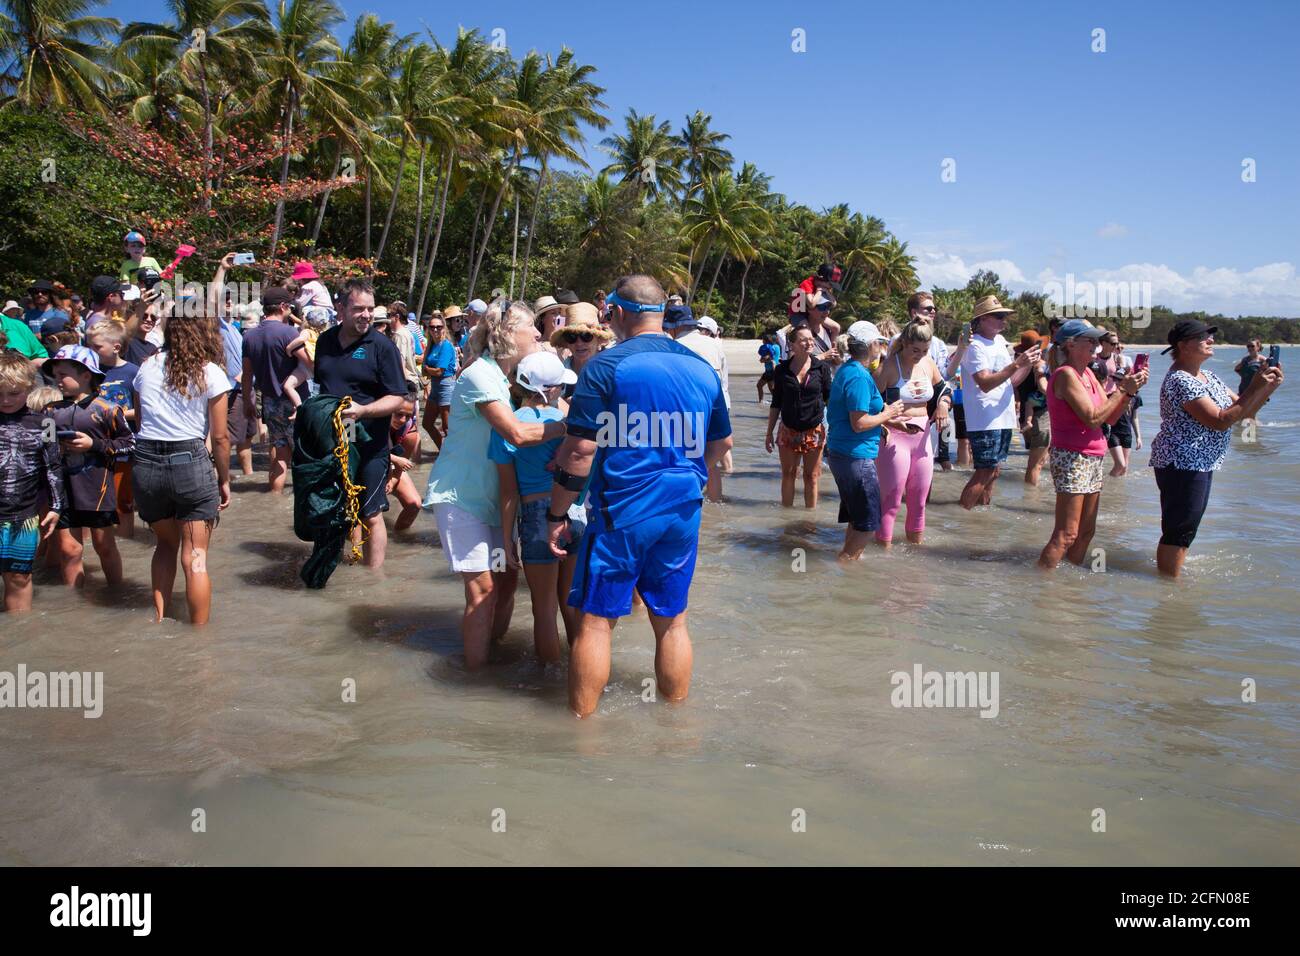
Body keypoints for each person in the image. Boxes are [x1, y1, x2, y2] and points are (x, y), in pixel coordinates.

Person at [545, 274, 732, 718]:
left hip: (622, 511)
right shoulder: (701, 368)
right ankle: (676, 725)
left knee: (595, 622)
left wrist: (556, 513)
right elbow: (721, 446)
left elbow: (579, 451)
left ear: (619, 313)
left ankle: (582, 735)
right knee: (671, 622)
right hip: (683, 510)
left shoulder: (605, 368)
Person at [424, 300, 566, 669]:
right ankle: (474, 677)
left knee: (505, 585)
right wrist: (574, 431)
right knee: (484, 589)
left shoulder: (510, 379)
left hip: (496, 500)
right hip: (462, 497)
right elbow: (517, 433)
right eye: (530, 327)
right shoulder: (479, 375)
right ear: (505, 334)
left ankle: (492, 656)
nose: (538, 333)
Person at [1149, 320, 1283, 578]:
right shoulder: (1180, 380)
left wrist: (1267, 388)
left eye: (1210, 336)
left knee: (1187, 527)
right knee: (1180, 529)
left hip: (1201, 462)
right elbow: (1220, 421)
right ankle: (1168, 588)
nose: (1210, 340)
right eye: (1203, 337)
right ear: (1183, 345)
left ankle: (1169, 578)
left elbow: (1245, 412)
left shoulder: (1209, 376)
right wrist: (1253, 385)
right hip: (1181, 462)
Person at [131, 304, 232, 624]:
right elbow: (220, 438)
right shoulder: (211, 372)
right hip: (189, 461)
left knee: (164, 544)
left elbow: (140, 423)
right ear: (205, 331)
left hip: (145, 462)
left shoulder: (146, 367)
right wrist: (224, 480)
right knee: (196, 557)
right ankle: (200, 637)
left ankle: (160, 618)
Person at [490, 351, 585, 663]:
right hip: (573, 511)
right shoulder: (568, 422)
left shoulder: (507, 426)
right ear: (553, 389)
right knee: (572, 603)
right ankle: (579, 673)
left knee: (544, 610)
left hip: (536, 516)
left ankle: (548, 682)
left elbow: (508, 492)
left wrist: (506, 540)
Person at [311, 278, 408, 569]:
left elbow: (399, 398)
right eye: (359, 309)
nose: (366, 315)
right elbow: (321, 389)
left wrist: (363, 411)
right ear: (340, 308)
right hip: (332, 442)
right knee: (332, 509)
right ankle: (333, 568)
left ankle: (372, 580)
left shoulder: (382, 346)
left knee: (370, 513)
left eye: (370, 309)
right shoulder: (325, 342)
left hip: (370, 443)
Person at [1037, 321, 1147, 569]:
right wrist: (1122, 390)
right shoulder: (1065, 374)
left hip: (1093, 457)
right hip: (1072, 458)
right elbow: (1092, 417)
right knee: (1066, 534)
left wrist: (1129, 392)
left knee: (1086, 533)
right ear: (1070, 344)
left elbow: (1109, 417)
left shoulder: (1087, 373)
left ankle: (1066, 585)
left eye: (1098, 340)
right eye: (1091, 340)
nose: (1097, 345)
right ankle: (1040, 587)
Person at [44, 345, 133, 590]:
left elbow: (130, 444)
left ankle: (117, 592)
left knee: (104, 545)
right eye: (56, 375)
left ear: (86, 375)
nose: (58, 380)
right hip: (63, 491)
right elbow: (44, 446)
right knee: (69, 549)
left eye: (64, 374)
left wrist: (93, 444)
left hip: (98, 491)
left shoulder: (107, 409)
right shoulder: (50, 411)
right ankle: (75, 604)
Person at [825, 321, 908, 561]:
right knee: (869, 524)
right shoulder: (859, 376)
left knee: (856, 519)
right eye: (880, 344)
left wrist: (890, 422)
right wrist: (888, 414)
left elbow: (856, 414)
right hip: (856, 457)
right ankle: (846, 565)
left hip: (844, 454)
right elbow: (858, 422)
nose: (881, 349)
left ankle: (848, 569)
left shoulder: (848, 369)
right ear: (872, 345)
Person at [872, 321, 950, 545]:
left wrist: (943, 404)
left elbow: (944, 388)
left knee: (919, 501)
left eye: (925, 350)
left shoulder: (927, 363)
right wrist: (891, 421)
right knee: (892, 501)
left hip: (922, 437)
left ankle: (916, 557)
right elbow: (869, 404)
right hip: (895, 437)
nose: (920, 355)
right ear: (904, 343)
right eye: (915, 350)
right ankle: (882, 557)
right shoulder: (888, 367)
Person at [959, 296, 1039, 509]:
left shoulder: (1000, 343)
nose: (1005, 320)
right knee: (984, 471)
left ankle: (980, 516)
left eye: (1005, 316)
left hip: (1003, 417)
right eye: (999, 316)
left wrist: (1028, 365)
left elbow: (1010, 382)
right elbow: (984, 383)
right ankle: (963, 514)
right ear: (983, 319)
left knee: (994, 471)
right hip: (984, 418)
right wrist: (1016, 364)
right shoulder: (975, 346)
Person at [0, 351, 66, 612]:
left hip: (23, 517)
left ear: (29, 388)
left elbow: (53, 467)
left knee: (19, 578)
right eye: (0, 392)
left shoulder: (45, 423)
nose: (5, 400)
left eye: (13, 393)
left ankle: (21, 629)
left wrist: (56, 507)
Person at [241, 286, 302, 494]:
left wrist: (249, 403)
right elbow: (310, 362)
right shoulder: (289, 332)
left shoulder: (249, 336)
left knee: (280, 453)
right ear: (283, 307)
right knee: (303, 455)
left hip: (269, 401)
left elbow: (247, 374)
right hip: (294, 404)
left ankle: (274, 497)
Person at [765, 325, 833, 508]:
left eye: (811, 338)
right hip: (788, 428)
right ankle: (786, 517)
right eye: (803, 339)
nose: (809, 342)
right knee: (788, 474)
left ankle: (809, 521)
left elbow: (830, 399)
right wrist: (769, 432)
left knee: (811, 476)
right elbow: (776, 403)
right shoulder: (782, 370)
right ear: (792, 345)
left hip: (814, 429)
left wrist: (835, 427)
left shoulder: (821, 368)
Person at [668, 305, 731, 500]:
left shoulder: (674, 346)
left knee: (686, 458)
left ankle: (690, 495)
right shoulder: (714, 344)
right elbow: (724, 381)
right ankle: (716, 501)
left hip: (689, 409)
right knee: (712, 459)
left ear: (673, 327)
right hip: (719, 405)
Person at [84, 321, 140, 537]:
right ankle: (96, 542)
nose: (92, 351)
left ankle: (125, 539)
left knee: (123, 500)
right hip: (94, 444)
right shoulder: (88, 373)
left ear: (116, 347)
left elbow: (142, 410)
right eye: (88, 345)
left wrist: (112, 415)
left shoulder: (132, 372)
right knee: (90, 500)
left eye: (97, 347)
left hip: (124, 446)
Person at [551, 302, 613, 399]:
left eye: (586, 336)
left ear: (599, 339)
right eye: (571, 337)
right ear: (567, 342)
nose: (579, 343)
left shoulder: (611, 369)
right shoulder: (560, 371)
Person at [1014, 330, 1051, 485]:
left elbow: (1014, 389)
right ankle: (1031, 498)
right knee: (1037, 465)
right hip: (1040, 416)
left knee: (1035, 460)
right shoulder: (1039, 365)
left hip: (1025, 416)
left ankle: (1029, 493)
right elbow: (1044, 388)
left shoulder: (1016, 366)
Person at [420, 310, 458, 453]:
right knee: (427, 423)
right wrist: (428, 369)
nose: (435, 329)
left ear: (444, 328)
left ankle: (455, 457)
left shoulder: (446, 345)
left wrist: (427, 368)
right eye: (432, 327)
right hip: (436, 386)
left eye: (438, 327)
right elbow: (427, 370)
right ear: (428, 329)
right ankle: (444, 452)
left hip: (446, 386)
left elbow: (439, 371)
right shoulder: (431, 345)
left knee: (448, 427)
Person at [385, 389, 423, 533]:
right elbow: (359, 451)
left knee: (414, 504)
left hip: (391, 467)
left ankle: (398, 538)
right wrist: (393, 458)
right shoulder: (372, 422)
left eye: (408, 416)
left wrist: (392, 480)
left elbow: (401, 465)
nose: (402, 420)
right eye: (398, 414)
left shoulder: (409, 433)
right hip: (368, 464)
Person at [1, 298, 48, 362]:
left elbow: (40, 354)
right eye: (12, 309)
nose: (14, 311)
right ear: (6, 311)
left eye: (15, 309)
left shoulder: (20, 324)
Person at [757, 332, 779, 402]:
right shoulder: (771, 347)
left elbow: (765, 359)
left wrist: (765, 358)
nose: (762, 341)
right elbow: (763, 360)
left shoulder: (772, 347)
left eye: (763, 340)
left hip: (772, 370)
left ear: (766, 340)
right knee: (765, 387)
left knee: (763, 386)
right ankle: (762, 401)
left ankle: (776, 401)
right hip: (768, 370)